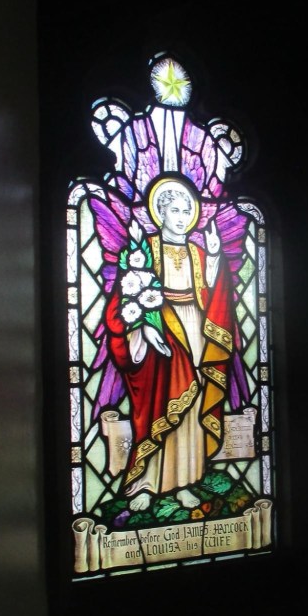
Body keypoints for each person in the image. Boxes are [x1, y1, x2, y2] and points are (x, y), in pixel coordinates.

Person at [104, 180, 235, 510]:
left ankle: (184, 481)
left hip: (195, 330)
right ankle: (146, 483)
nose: (181, 217)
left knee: (192, 407)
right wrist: (145, 329)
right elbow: (128, 296)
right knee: (158, 404)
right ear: (160, 213)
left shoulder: (197, 252)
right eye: (174, 210)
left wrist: (215, 255)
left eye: (187, 211)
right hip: (160, 332)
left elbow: (212, 292)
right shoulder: (146, 249)